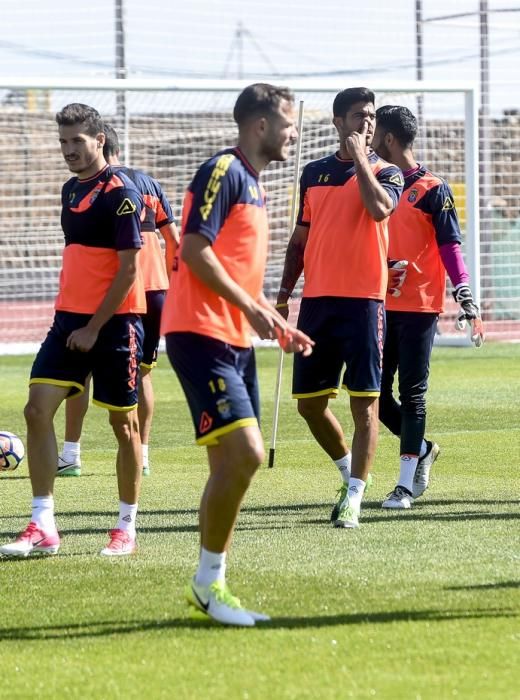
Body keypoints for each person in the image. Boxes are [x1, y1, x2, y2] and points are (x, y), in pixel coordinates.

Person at [161, 83, 314, 626]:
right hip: (200, 333)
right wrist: (252, 306)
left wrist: (268, 319)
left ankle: (212, 585)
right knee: (247, 453)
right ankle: (207, 585)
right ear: (260, 126)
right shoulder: (223, 172)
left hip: (233, 337)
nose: (295, 131)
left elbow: (232, 264)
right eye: (289, 121)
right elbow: (194, 249)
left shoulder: (255, 184)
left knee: (228, 463)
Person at [0, 103, 146, 558]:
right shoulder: (68, 190)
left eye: (77, 141)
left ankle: (126, 526)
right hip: (67, 321)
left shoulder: (121, 193)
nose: (69, 150)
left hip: (116, 324)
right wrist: (76, 323)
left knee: (124, 427)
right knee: (36, 411)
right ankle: (42, 523)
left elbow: (128, 271)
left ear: (99, 139)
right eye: (63, 142)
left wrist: (94, 327)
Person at [276, 87, 404, 529]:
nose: (366, 123)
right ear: (337, 121)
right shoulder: (313, 172)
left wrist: (362, 160)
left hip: (366, 302)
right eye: (357, 116)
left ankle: (355, 497)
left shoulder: (387, 172)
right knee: (309, 405)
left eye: (371, 117)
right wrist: (283, 293)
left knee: (365, 406)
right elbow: (300, 239)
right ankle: (348, 472)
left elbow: (379, 210)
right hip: (317, 302)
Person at [371, 105, 484, 509]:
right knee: (373, 394)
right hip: (377, 302)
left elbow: (449, 244)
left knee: (412, 393)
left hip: (419, 307)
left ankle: (404, 485)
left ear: (387, 139)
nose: (367, 140)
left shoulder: (432, 188)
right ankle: (423, 449)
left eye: (373, 134)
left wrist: (464, 290)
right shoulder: (375, 183)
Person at [57, 123, 180, 478]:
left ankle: (71, 453)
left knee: (80, 371)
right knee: (140, 373)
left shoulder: (90, 187)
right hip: (153, 288)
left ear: (100, 144)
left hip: (108, 288)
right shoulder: (149, 183)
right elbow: (174, 240)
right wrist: (174, 288)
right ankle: (141, 453)